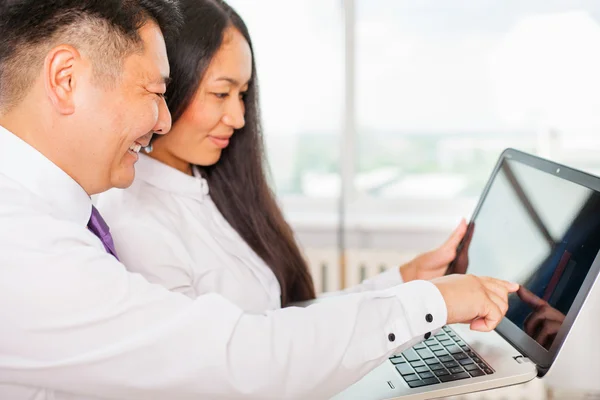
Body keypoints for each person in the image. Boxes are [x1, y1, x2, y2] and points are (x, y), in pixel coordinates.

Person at [0, 1, 518, 399]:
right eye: (156, 90)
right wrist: (432, 303)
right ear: (66, 80)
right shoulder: (23, 246)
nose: (161, 121)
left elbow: (263, 326)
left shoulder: (53, 217)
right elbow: (236, 355)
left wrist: (401, 287)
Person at [97, 0, 469, 312]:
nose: (239, 118)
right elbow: (245, 356)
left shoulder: (208, 188)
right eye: (221, 94)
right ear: (168, 85)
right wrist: (406, 306)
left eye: (242, 94)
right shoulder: (136, 222)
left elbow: (286, 326)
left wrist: (405, 281)